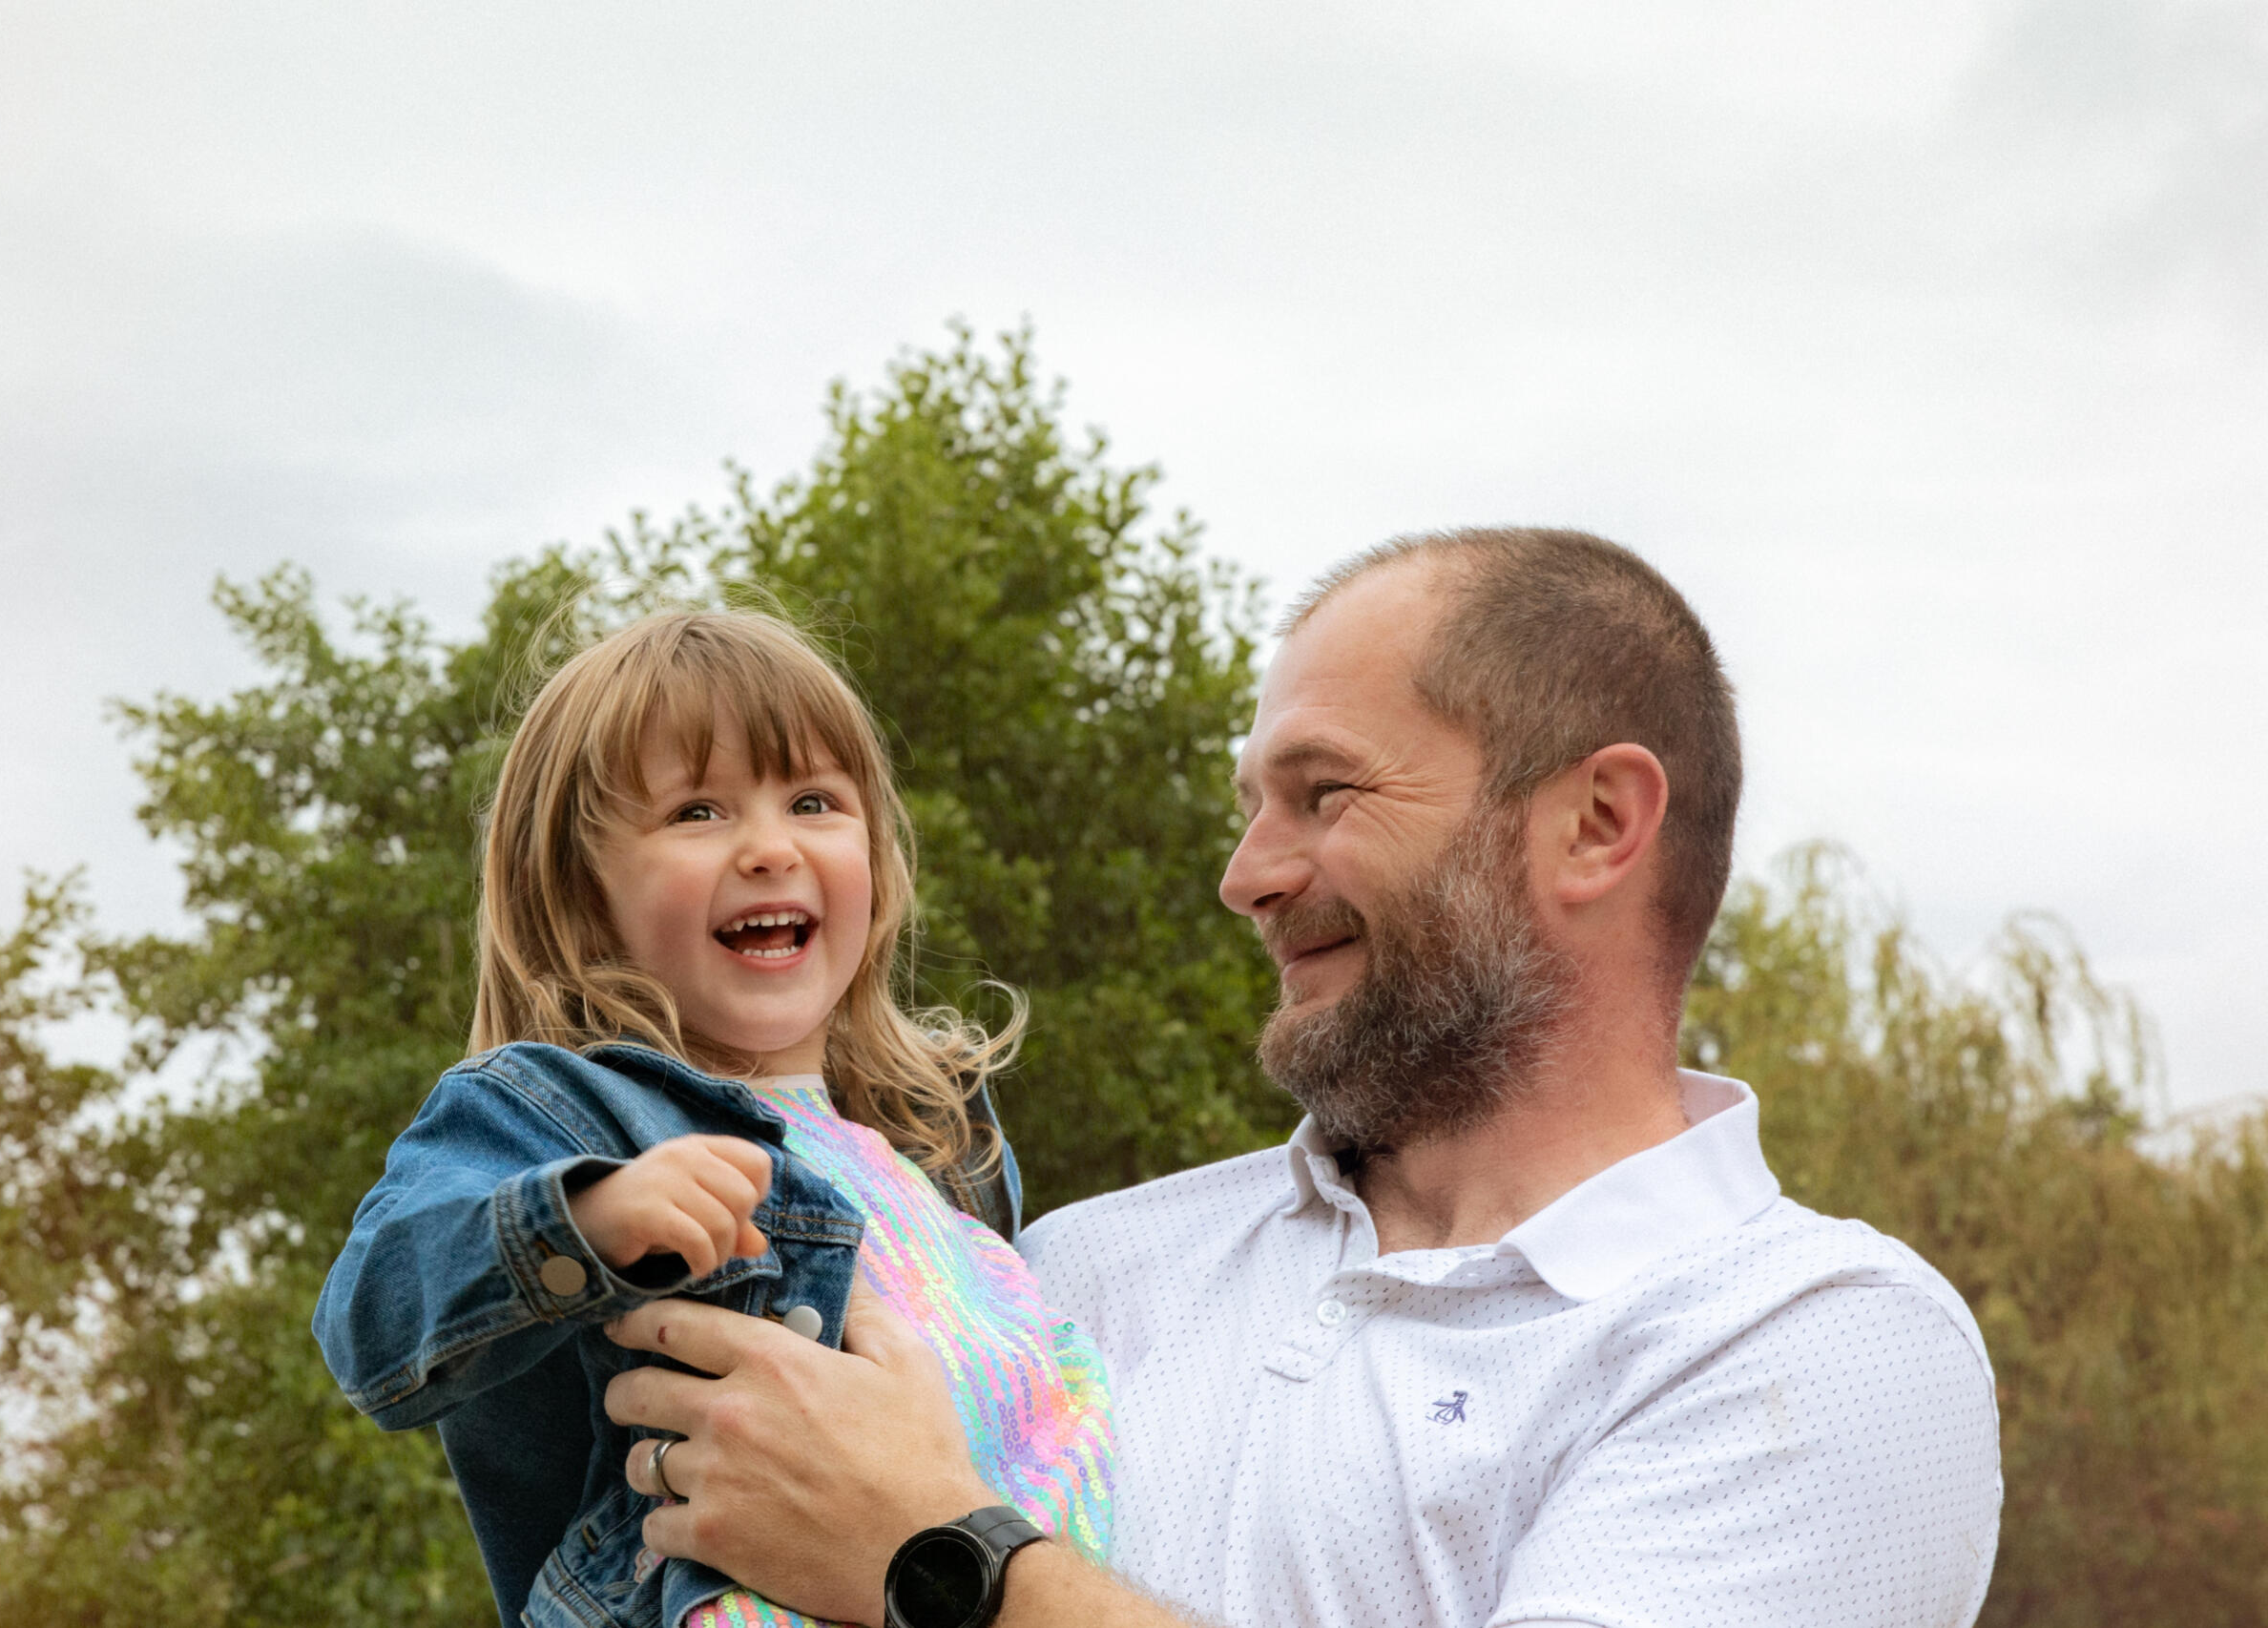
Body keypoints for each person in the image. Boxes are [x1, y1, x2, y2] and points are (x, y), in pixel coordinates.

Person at [597, 529, 2005, 1628]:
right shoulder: (1078, 1269)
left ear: (1596, 824)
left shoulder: (1813, 1343)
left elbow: (899, 1536)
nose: (1246, 877)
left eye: (1324, 793)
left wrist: (944, 1556)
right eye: (1251, 807)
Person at [311, 610, 1112, 1628]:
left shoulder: (937, 1140)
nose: (770, 847)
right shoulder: (562, 1112)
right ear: (580, 888)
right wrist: (590, 1218)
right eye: (698, 811)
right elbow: (371, 1313)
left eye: (814, 799)